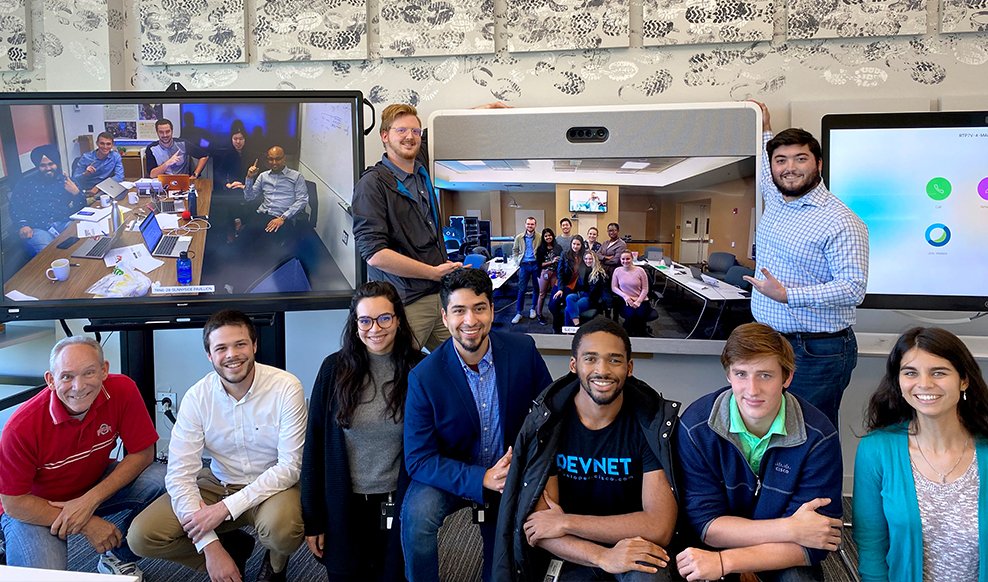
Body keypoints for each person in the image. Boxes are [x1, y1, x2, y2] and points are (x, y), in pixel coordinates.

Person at [493, 316, 679, 581]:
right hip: (571, 549)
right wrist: (603, 557)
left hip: (632, 543)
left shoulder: (649, 423)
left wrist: (567, 521)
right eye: (590, 358)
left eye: (614, 360)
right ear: (574, 365)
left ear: (629, 367)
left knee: (650, 576)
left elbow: (659, 526)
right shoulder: (550, 424)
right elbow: (539, 529)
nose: (602, 370)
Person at [128, 310, 306, 582]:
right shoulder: (197, 398)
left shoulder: (286, 387)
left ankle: (276, 565)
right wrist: (210, 547)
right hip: (217, 484)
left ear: (254, 345)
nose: (232, 355)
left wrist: (223, 510)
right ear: (209, 355)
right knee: (142, 536)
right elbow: (179, 476)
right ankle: (231, 551)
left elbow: (290, 468)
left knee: (283, 531)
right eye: (221, 348)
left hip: (272, 487)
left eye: (240, 344)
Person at [401, 268, 553, 582]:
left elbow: (548, 417)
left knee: (501, 569)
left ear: (492, 310)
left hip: (510, 472)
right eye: (459, 310)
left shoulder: (523, 352)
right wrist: (480, 477)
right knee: (415, 517)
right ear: (444, 317)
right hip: (454, 471)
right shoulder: (424, 376)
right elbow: (418, 459)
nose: (470, 321)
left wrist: (524, 467)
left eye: (479, 308)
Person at [675, 322, 843, 582]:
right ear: (728, 375)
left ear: (787, 377)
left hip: (780, 551)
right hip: (713, 549)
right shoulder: (696, 427)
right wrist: (789, 527)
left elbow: (816, 539)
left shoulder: (819, 436)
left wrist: (726, 562)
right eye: (741, 374)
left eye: (765, 375)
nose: (752, 390)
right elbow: (706, 526)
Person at [744, 101, 869, 430]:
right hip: (770, 341)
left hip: (815, 350)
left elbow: (853, 288)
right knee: (771, 428)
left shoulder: (841, 221)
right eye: (781, 160)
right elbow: (764, 162)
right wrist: (764, 125)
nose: (790, 168)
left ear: (818, 164)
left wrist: (787, 295)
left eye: (801, 159)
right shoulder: (776, 197)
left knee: (811, 434)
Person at [0, 336, 165, 579]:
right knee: (43, 576)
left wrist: (89, 501)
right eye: (66, 376)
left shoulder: (123, 389)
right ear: (51, 380)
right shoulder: (20, 428)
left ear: (104, 370)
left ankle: (117, 557)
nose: (79, 386)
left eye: (89, 373)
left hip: (91, 486)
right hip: (37, 506)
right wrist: (88, 524)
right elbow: (14, 503)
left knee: (166, 481)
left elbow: (143, 453)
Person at [302, 281, 423, 581]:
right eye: (365, 320)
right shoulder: (333, 369)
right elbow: (314, 446)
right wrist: (313, 519)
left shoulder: (419, 369)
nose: (375, 328)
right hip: (343, 505)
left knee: (393, 574)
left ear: (397, 319)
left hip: (398, 502)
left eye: (384, 318)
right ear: (355, 324)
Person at [853, 327, 988, 582]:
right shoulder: (876, 450)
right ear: (899, 381)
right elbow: (871, 546)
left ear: (964, 380)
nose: (924, 384)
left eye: (939, 372)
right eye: (911, 373)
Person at [352, 103, 461, 351]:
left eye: (415, 131)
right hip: (406, 303)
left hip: (439, 295)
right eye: (401, 131)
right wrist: (432, 272)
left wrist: (487, 108)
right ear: (385, 136)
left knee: (463, 361)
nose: (410, 137)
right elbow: (375, 255)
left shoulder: (419, 166)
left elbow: (445, 125)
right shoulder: (372, 184)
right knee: (396, 377)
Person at [9, 144, 86, 257]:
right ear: (37, 166)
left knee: (83, 246)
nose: (48, 168)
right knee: (50, 256)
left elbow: (82, 208)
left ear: (57, 163)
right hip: (38, 228)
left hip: (65, 223)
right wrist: (23, 225)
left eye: (51, 164)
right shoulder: (26, 183)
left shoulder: (67, 181)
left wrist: (76, 193)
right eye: (43, 165)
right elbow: (15, 206)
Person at [243, 146, 309, 239]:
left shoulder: (296, 177)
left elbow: (302, 200)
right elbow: (249, 197)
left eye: (278, 159)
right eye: (271, 159)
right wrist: (249, 178)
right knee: (240, 243)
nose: (274, 163)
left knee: (267, 247)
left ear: (284, 158)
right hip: (262, 215)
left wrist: (283, 217)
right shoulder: (263, 176)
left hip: (282, 219)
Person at [555, 243, 610, 331]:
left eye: (590, 259)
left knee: (567, 309)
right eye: (586, 259)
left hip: (589, 297)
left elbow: (600, 290)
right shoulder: (582, 269)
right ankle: (577, 326)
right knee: (569, 297)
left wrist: (605, 302)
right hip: (580, 294)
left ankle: (572, 330)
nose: (588, 261)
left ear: (594, 259)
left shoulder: (599, 273)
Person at [144, 118, 208, 179]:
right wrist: (167, 163)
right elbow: (152, 175)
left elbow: (204, 156)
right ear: (157, 133)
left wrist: (194, 175)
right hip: (163, 182)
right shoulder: (151, 149)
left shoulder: (183, 144)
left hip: (182, 182)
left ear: (172, 131)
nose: (165, 135)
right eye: (161, 132)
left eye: (167, 131)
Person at [611, 251, 650, 337]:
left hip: (641, 300)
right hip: (626, 300)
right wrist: (625, 297)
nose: (625, 261)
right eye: (623, 259)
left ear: (632, 259)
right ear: (620, 260)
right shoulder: (617, 271)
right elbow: (614, 287)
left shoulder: (640, 271)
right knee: (630, 315)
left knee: (640, 315)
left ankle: (641, 337)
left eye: (628, 258)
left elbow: (645, 288)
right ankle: (627, 337)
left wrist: (639, 301)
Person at [511, 216, 540, 325]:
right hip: (524, 265)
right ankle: (519, 312)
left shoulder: (539, 237)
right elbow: (515, 250)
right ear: (525, 225)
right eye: (528, 224)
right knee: (521, 289)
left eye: (532, 224)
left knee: (536, 288)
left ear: (535, 225)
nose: (530, 226)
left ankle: (533, 308)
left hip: (535, 265)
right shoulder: (519, 237)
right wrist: (517, 261)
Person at [535, 227, 564, 325]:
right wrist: (552, 261)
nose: (548, 237)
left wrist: (559, 260)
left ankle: (556, 314)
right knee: (542, 294)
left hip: (555, 273)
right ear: (543, 237)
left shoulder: (558, 247)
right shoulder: (541, 249)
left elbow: (562, 260)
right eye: (546, 236)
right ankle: (539, 314)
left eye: (549, 235)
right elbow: (539, 264)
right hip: (544, 273)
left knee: (554, 294)